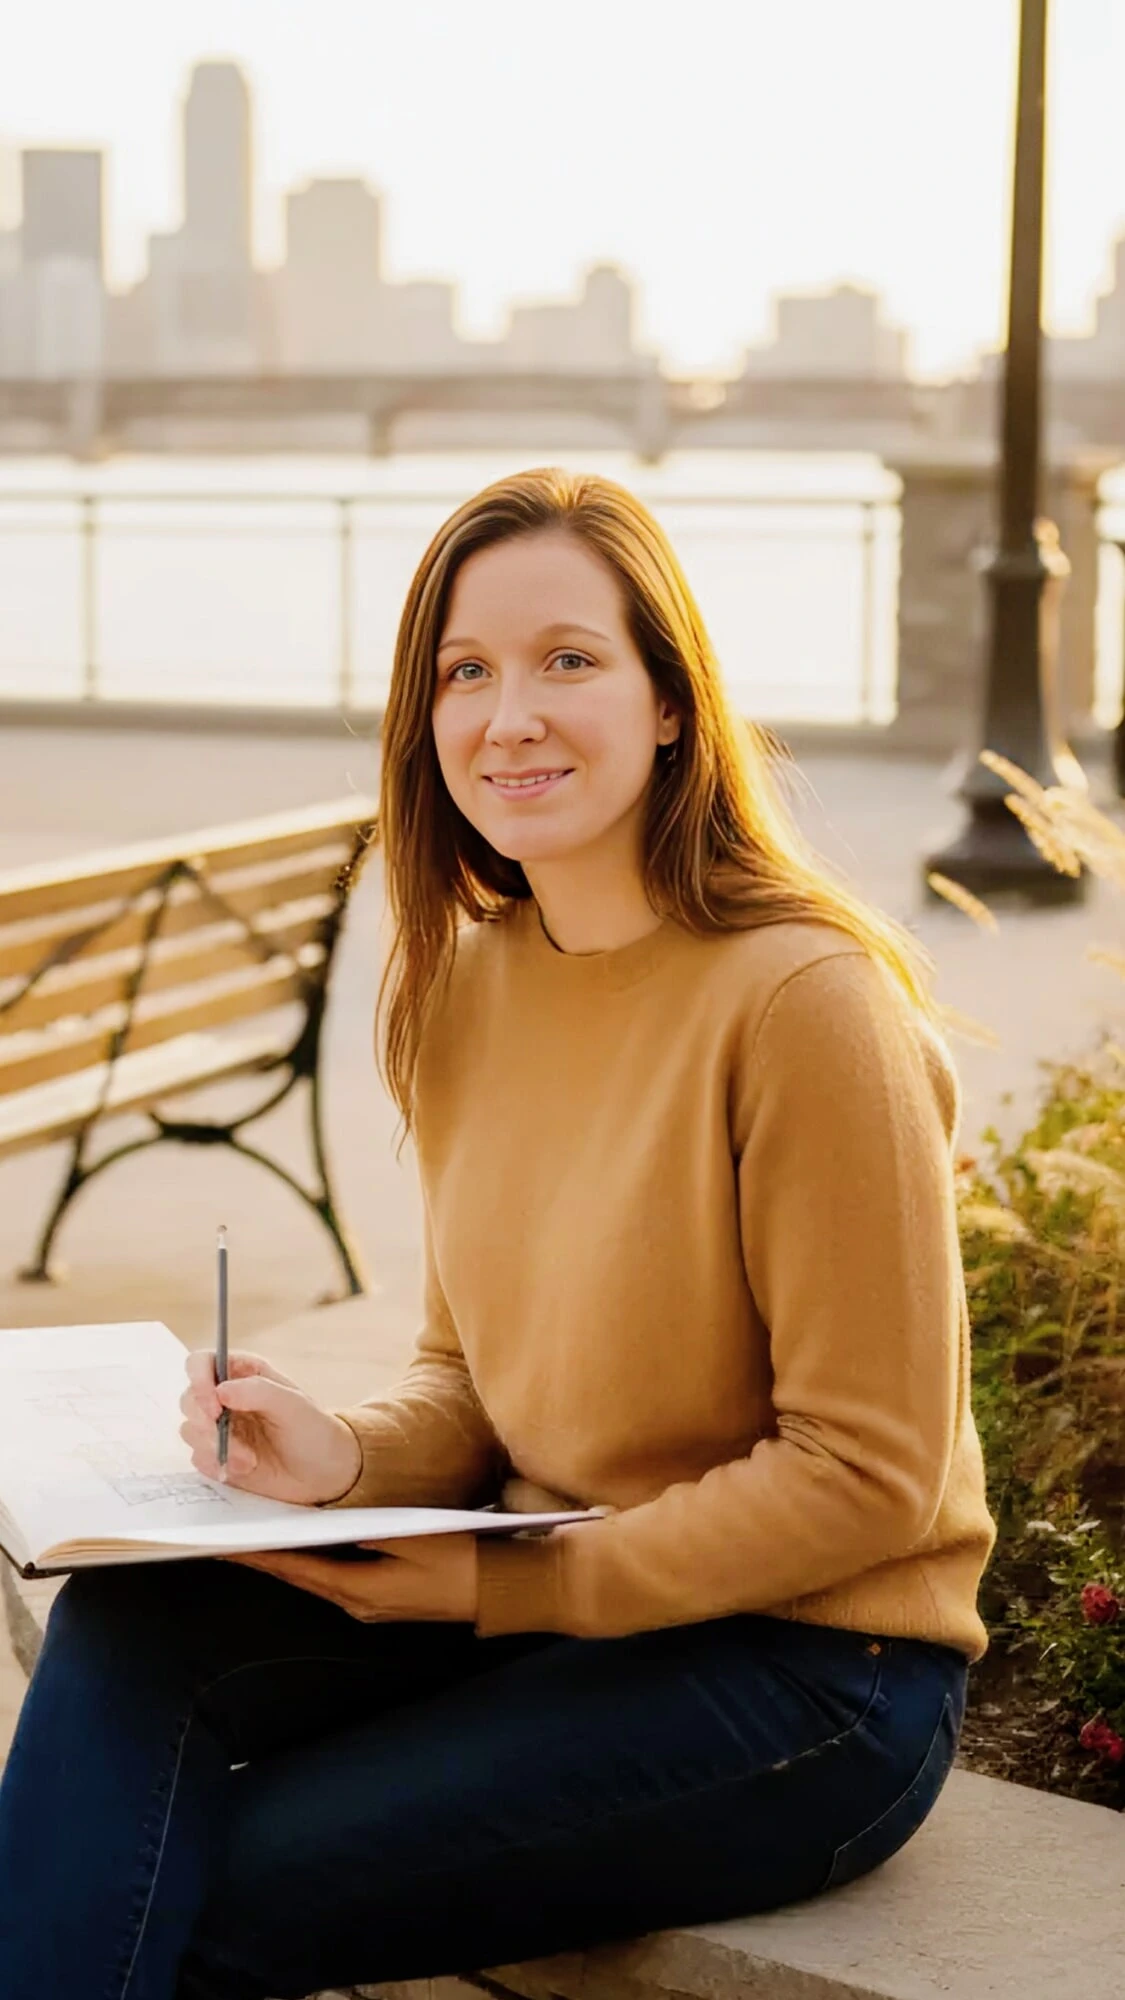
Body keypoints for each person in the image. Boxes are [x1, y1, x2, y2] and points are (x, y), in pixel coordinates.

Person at [0, 467, 997, 2000]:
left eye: (568, 660)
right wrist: (335, 1456)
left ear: (671, 701)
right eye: (466, 671)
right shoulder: (469, 988)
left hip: (810, 1678)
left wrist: (504, 1589)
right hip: (564, 1603)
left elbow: (866, 1478)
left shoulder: (806, 1007)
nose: (508, 713)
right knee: (135, 1628)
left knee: (199, 1888)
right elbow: (471, 1372)